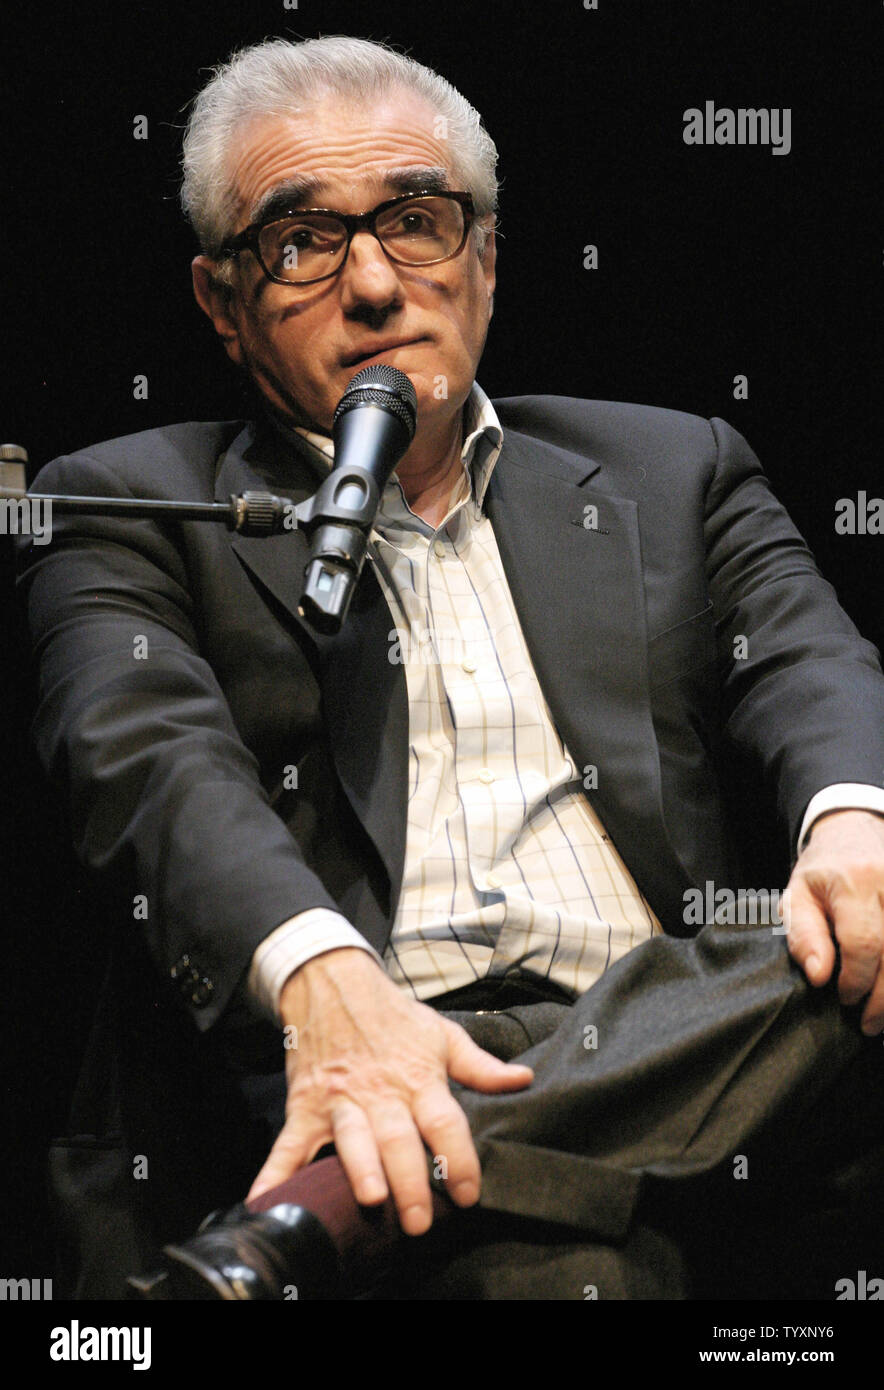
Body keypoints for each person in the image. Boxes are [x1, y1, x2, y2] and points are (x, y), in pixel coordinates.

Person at [17, 35, 884, 1300]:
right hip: (356, 1041)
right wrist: (324, 982)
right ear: (221, 302)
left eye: (415, 221)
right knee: (564, 1272)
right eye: (302, 241)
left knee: (823, 949)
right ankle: (450, 1152)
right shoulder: (122, 502)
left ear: (483, 257)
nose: (372, 283)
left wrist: (856, 830)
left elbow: (809, 660)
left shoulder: (671, 468)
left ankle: (329, 1217)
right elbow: (145, 760)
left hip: (697, 1020)